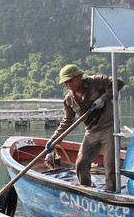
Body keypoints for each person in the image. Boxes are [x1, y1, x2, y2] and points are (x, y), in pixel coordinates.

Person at [45, 64, 124, 192]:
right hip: (91, 131)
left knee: (110, 166)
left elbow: (118, 83)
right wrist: (53, 140)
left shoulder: (96, 81)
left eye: (70, 80)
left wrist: (102, 99)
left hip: (108, 127)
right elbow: (67, 121)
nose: (68, 85)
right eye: (65, 82)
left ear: (80, 76)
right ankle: (86, 190)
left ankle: (111, 194)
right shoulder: (69, 99)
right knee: (81, 164)